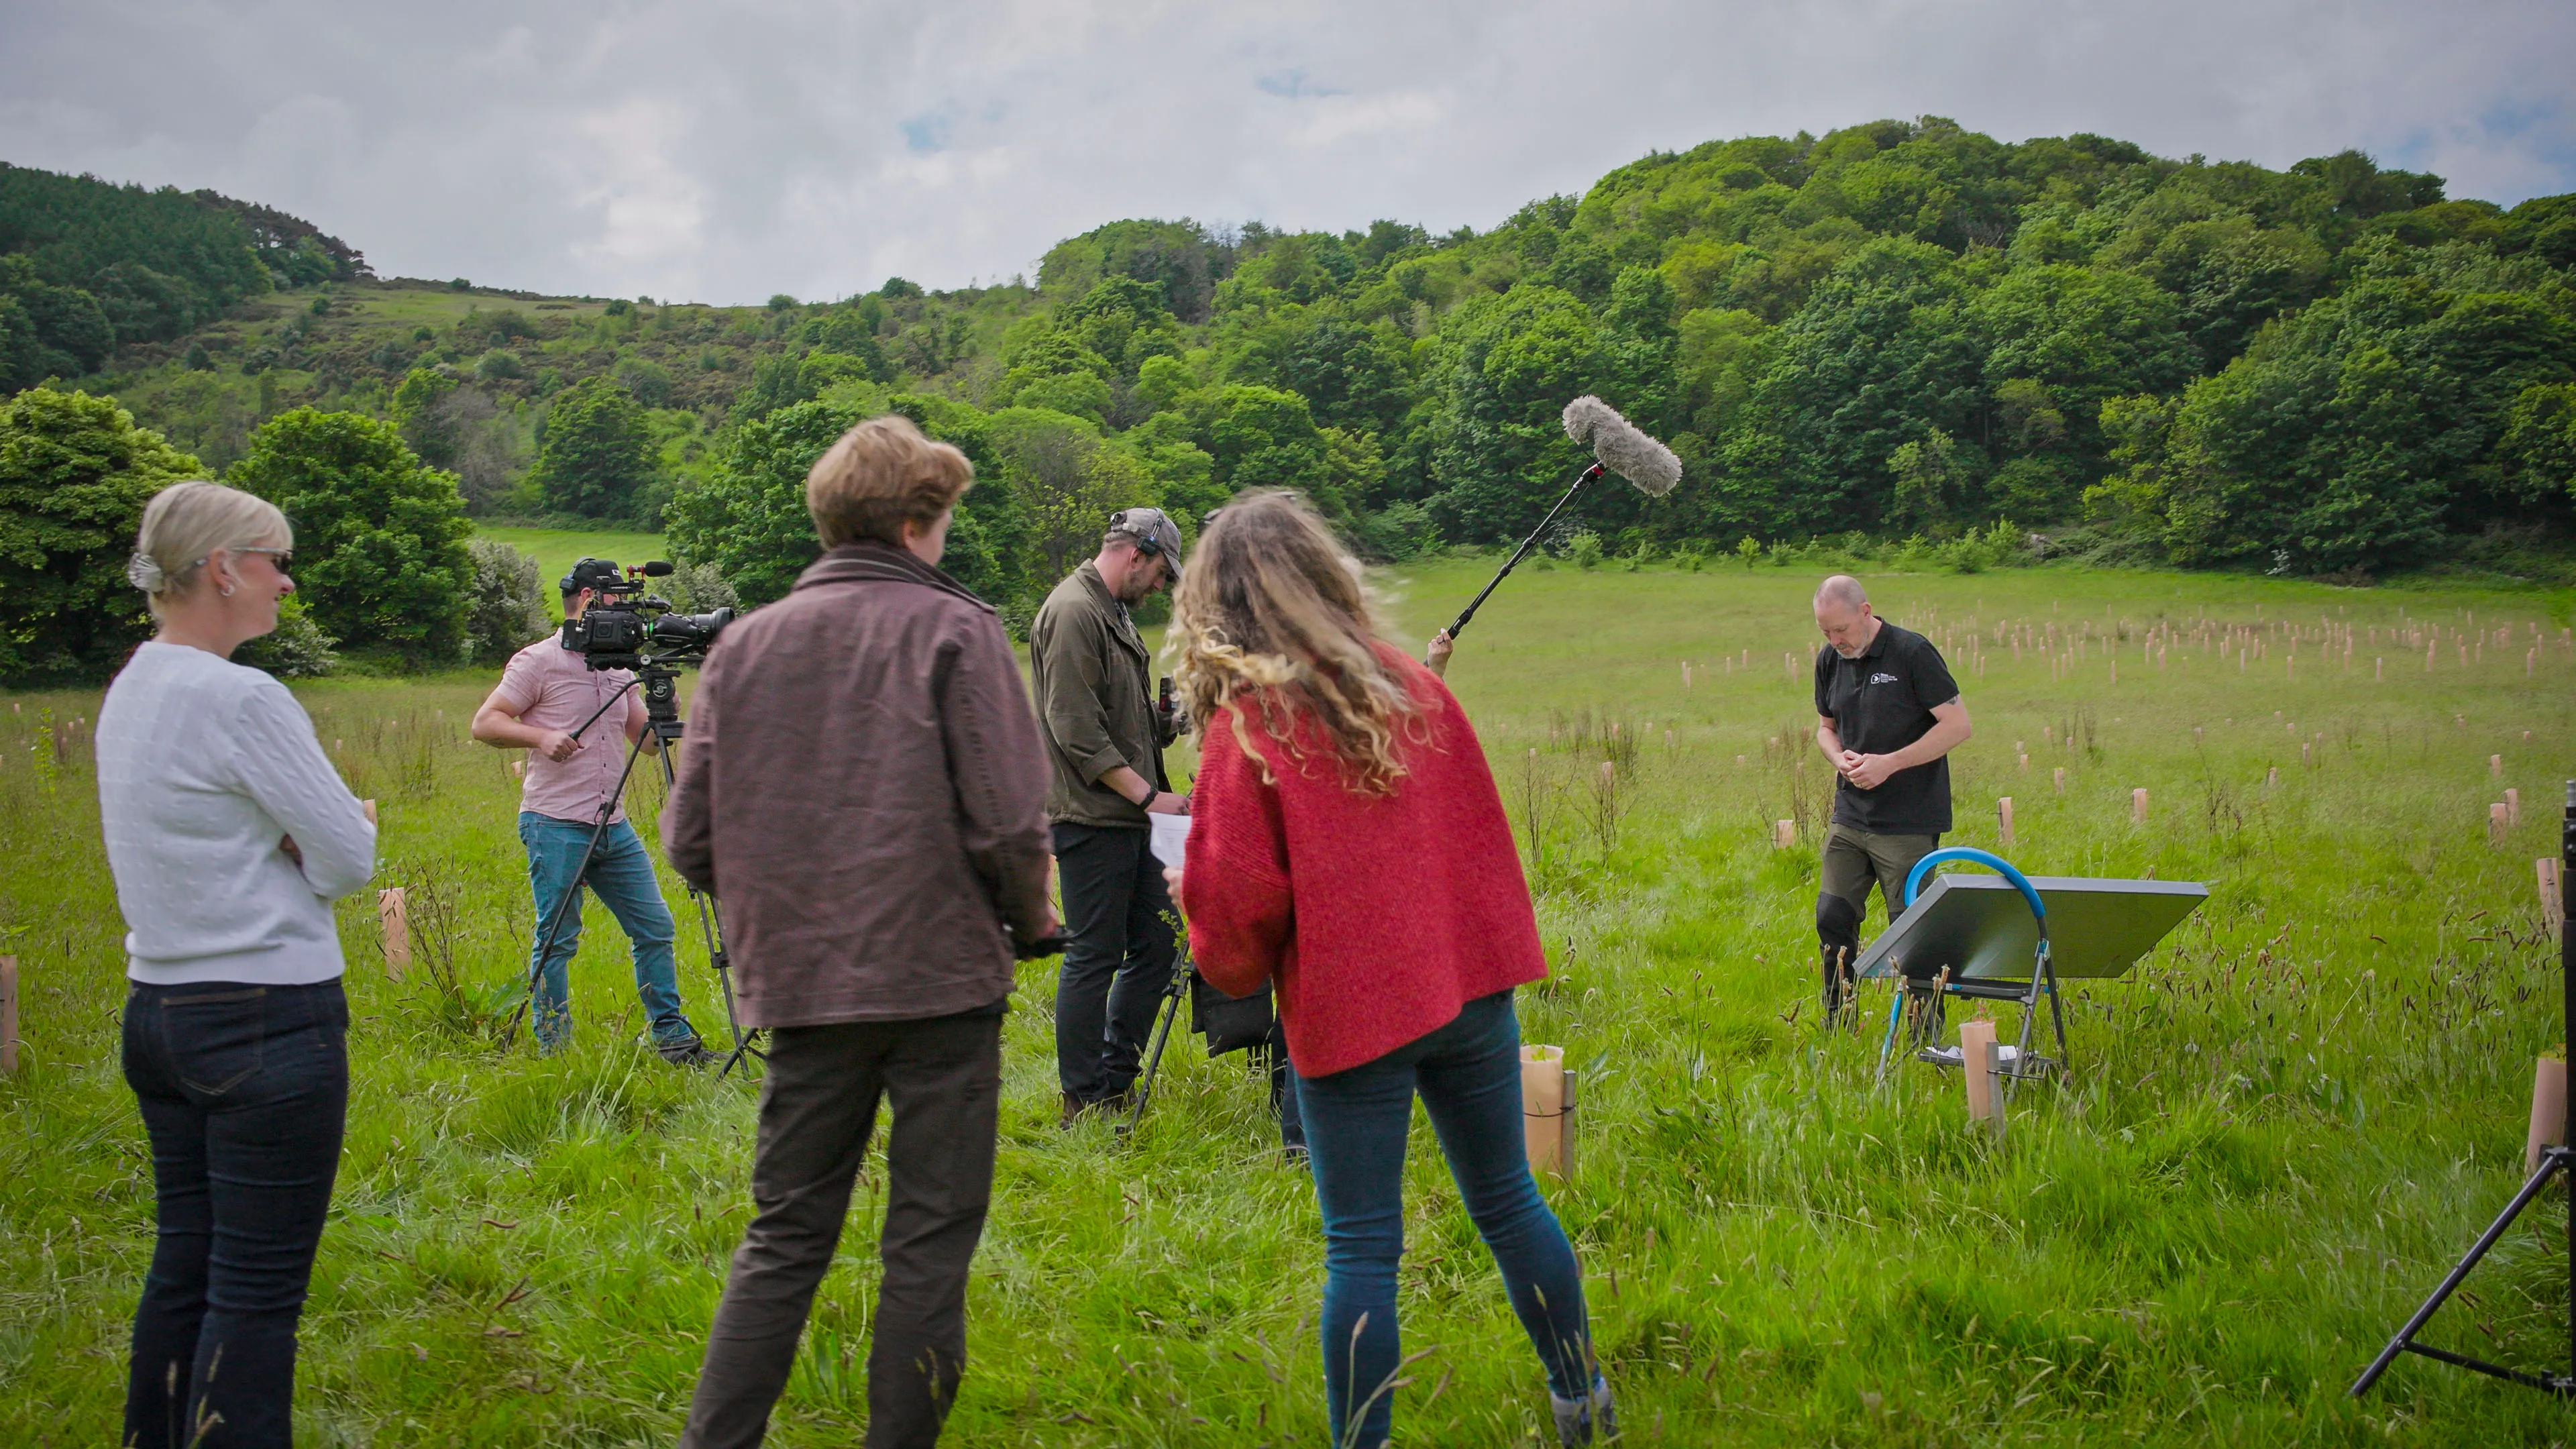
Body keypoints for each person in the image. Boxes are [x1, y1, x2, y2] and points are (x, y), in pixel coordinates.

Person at [1167, 491, 1614, 1449]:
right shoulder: (1414, 686)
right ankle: (1583, 1402)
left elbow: (1236, 947)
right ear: (1328, 577)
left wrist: (1191, 897)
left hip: (1357, 1011)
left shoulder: (1248, 728)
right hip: (1467, 992)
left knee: (1362, 1250)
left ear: (1222, 605)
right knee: (1509, 1204)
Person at [664, 415, 1056, 1449]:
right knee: (927, 1244)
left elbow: (690, 836)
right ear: (921, 519)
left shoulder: (742, 645)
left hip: (801, 985)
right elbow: (1013, 820)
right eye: (948, 515)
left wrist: (780, 918)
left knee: (784, 1234)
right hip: (943, 983)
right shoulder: (958, 630)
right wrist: (1031, 921)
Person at [97, 481, 377, 1449]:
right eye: (275, 561)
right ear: (223, 568)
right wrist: (304, 845)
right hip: (268, 1018)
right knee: (255, 1296)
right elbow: (349, 856)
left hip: (160, 1009)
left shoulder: (135, 682)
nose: (286, 584)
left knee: (185, 1264)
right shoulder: (241, 696)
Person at [471, 557, 710, 1063]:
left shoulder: (622, 667)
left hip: (613, 826)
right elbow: (485, 723)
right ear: (585, 600)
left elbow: (646, 744)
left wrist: (669, 703)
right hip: (555, 822)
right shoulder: (538, 661)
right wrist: (540, 736)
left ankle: (670, 1037)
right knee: (558, 938)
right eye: (616, 601)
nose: (625, 613)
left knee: (655, 927)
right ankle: (553, 1047)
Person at [1027, 508, 1191, 1126]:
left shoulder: (1112, 611)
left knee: (1157, 943)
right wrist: (1150, 798)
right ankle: (1081, 1099)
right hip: (1094, 816)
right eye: (1157, 573)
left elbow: (1114, 717)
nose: (1158, 587)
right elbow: (1073, 725)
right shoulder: (1074, 610)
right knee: (1094, 955)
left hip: (1129, 817)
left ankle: (1115, 1077)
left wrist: (1164, 723)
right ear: (1134, 553)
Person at [1810, 573, 1972, 1022]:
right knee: (1833, 918)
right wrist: (1838, 758)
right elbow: (1825, 729)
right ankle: (1838, 1023)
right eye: (1825, 632)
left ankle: (1925, 1032)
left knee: (1912, 930)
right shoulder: (1829, 660)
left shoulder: (1911, 653)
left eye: (1841, 629)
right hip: (1850, 817)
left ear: (1866, 612)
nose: (1835, 640)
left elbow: (1958, 726)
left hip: (1907, 822)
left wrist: (1890, 763)